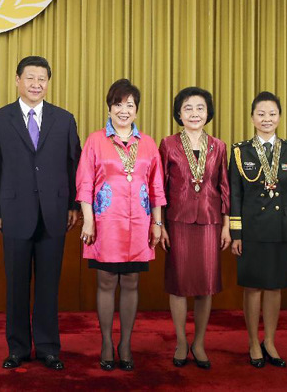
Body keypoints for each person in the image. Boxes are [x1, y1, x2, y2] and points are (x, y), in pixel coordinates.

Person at [0, 56, 81, 371]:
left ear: (48, 83)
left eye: (42, 78)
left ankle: (49, 348)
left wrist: (73, 205)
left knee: (48, 285)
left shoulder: (64, 119)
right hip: (13, 213)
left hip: (54, 212)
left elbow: (73, 165)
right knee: (16, 286)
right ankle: (18, 348)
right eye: (30, 78)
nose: (36, 84)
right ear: (17, 80)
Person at [77, 79, 166, 371]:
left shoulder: (149, 143)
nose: (124, 110)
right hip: (105, 223)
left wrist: (157, 223)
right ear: (110, 107)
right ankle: (105, 341)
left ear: (137, 110)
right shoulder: (95, 140)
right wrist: (88, 220)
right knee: (105, 281)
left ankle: (125, 343)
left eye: (130, 105)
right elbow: (85, 182)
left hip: (139, 224)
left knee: (131, 282)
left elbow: (156, 186)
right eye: (118, 104)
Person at [230, 91, 287, 368]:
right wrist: (236, 234)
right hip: (252, 228)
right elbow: (235, 196)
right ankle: (253, 341)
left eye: (272, 114)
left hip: (281, 228)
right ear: (252, 117)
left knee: (275, 287)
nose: (267, 119)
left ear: (279, 117)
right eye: (261, 114)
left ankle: (270, 341)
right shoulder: (241, 151)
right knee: (252, 287)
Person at [159, 87, 230, 369]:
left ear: (208, 113)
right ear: (179, 113)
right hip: (178, 222)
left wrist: (226, 226)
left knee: (206, 286)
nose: (194, 113)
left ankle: (199, 343)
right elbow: (160, 189)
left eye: (200, 108)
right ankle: (180, 341)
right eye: (188, 108)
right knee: (178, 286)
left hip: (211, 222)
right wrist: (159, 224)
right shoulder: (168, 144)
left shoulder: (219, 146)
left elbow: (224, 188)